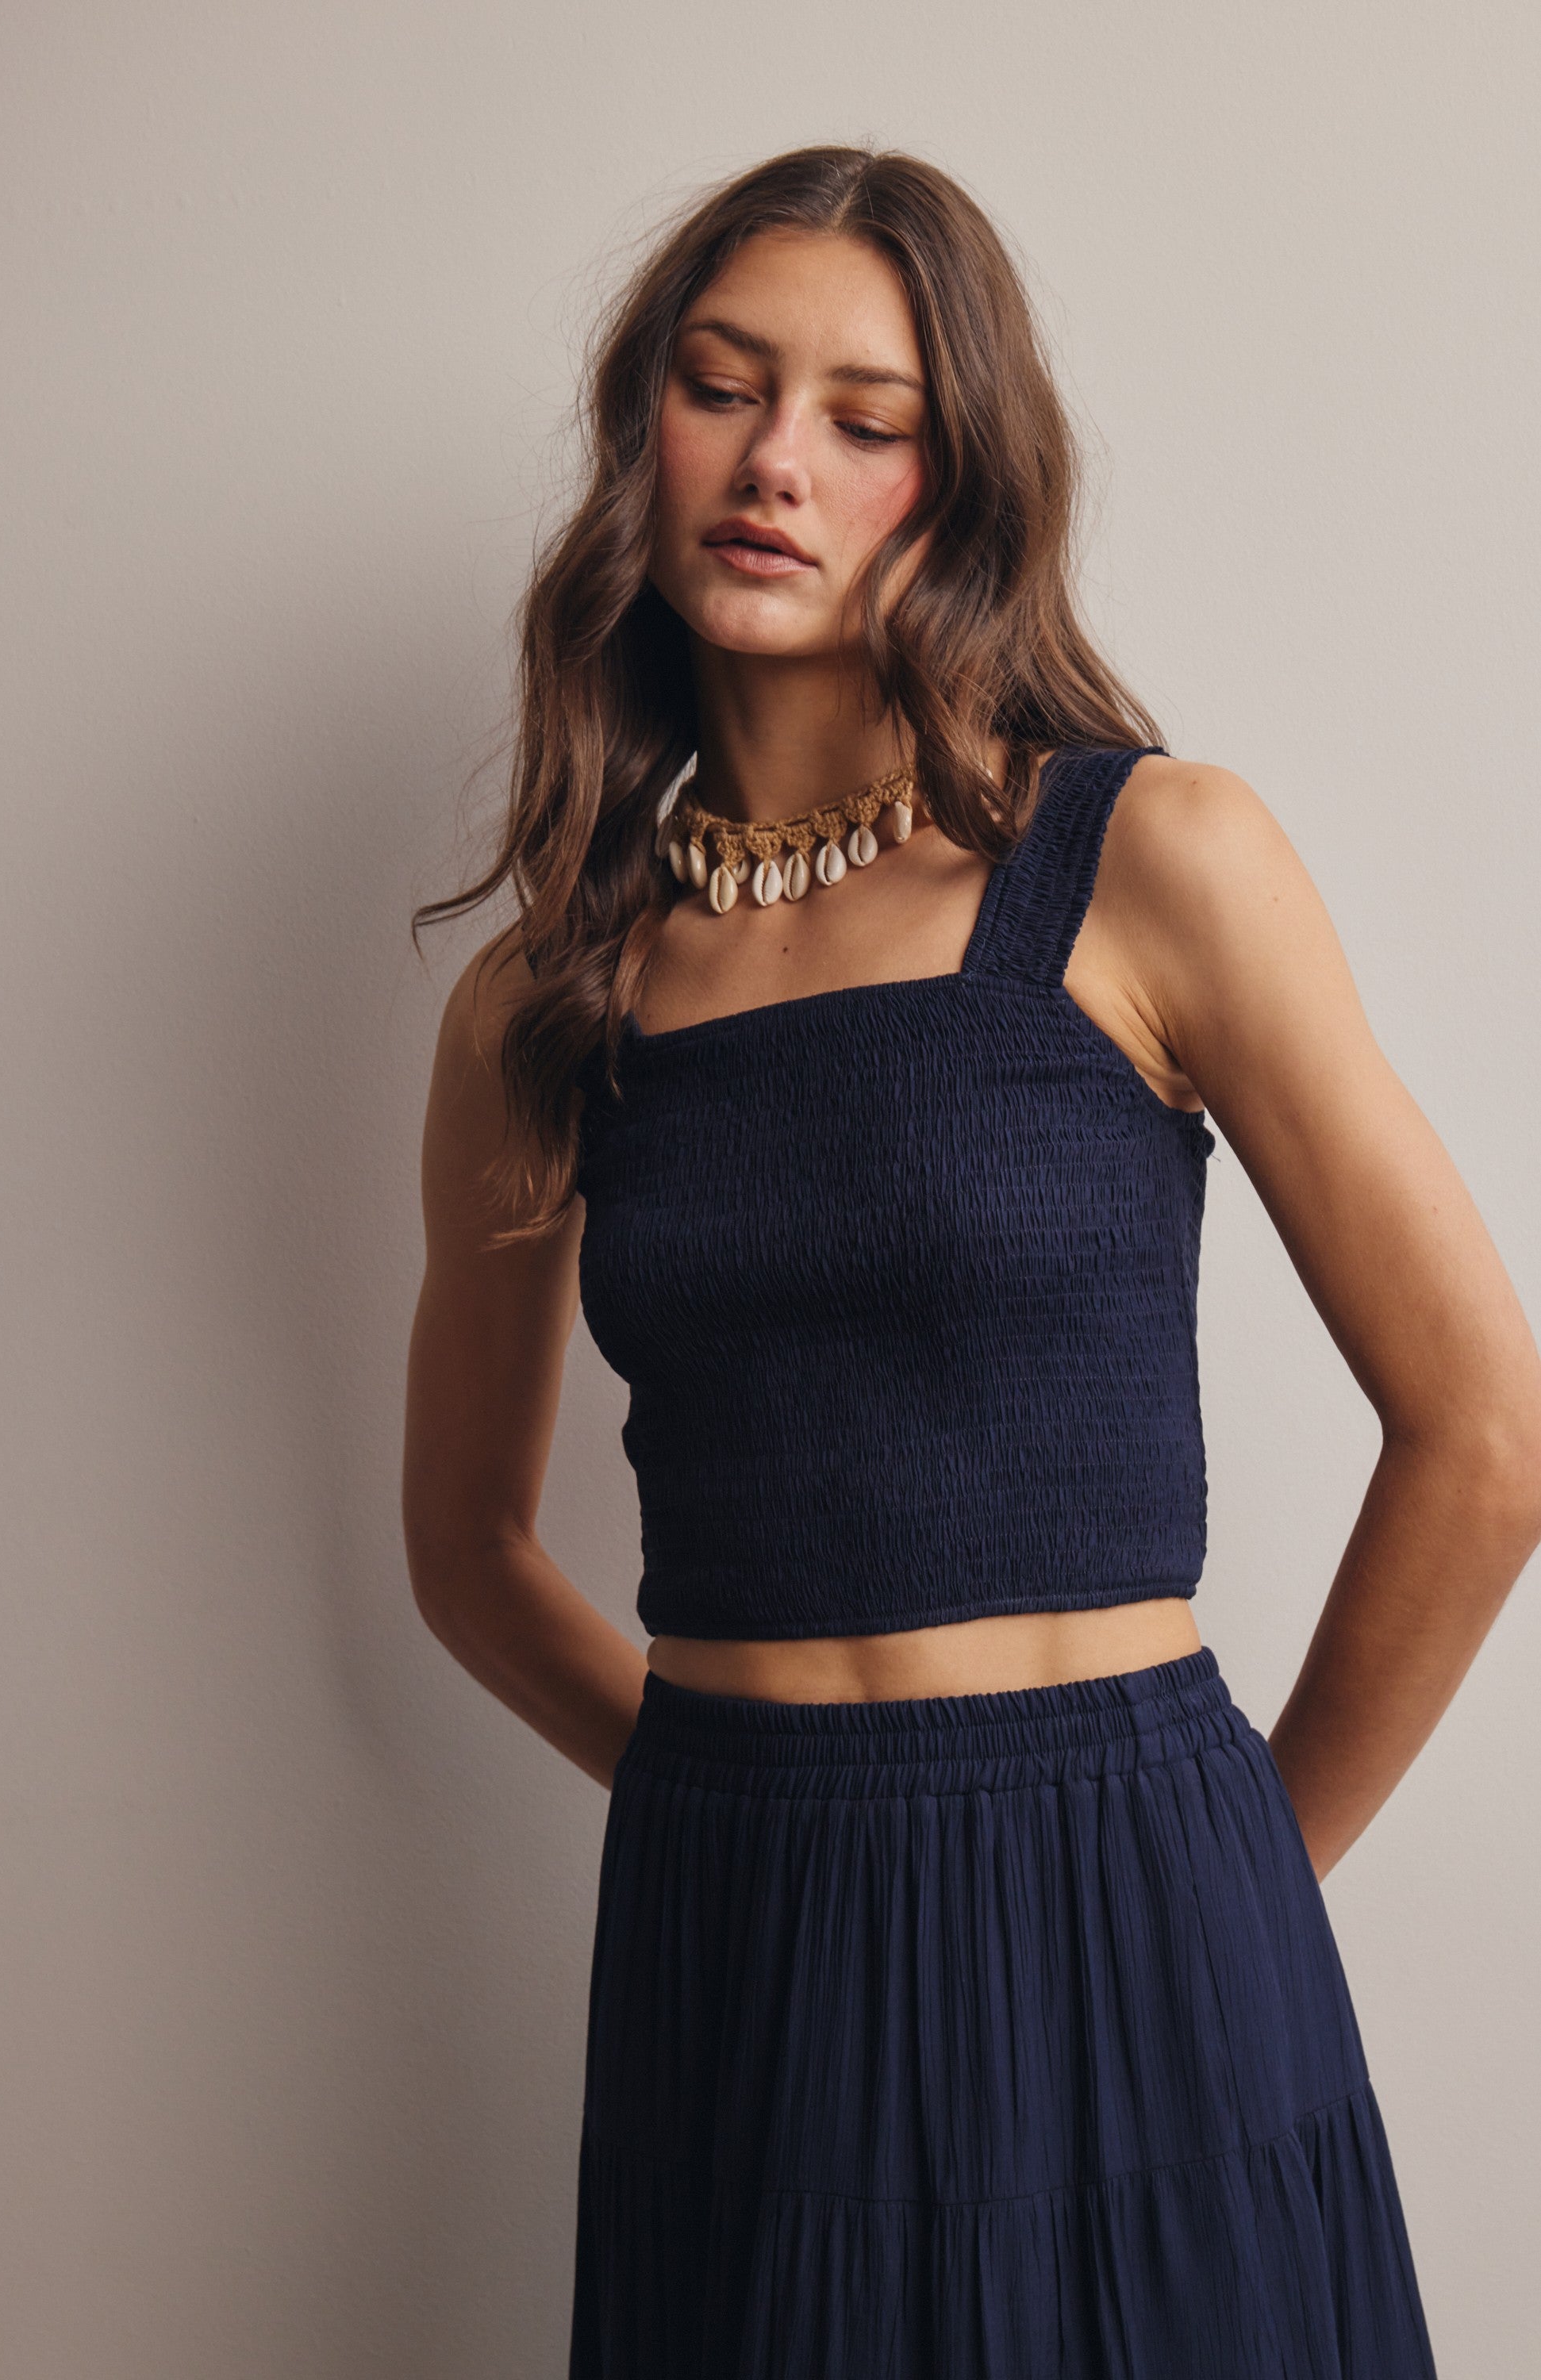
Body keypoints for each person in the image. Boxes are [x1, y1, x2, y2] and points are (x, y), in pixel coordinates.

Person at [402, 144, 1541, 2377]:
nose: (777, 462)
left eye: (867, 418)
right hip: (736, 1937)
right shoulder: (543, 1001)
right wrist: (746, 1812)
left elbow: (1486, 1435)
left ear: (966, 482)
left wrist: (1230, 1872)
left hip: (1138, 1892)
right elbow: (464, 1550)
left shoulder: (1148, 859)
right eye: (721, 387)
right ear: (644, 430)